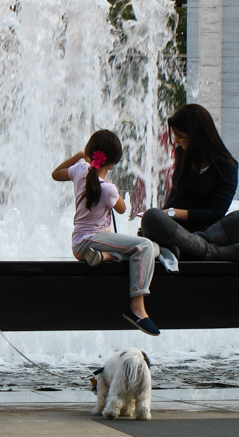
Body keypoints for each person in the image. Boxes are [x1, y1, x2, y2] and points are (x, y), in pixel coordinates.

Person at [52, 130, 160, 336]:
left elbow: (56, 174)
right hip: (93, 240)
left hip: (79, 245)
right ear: (114, 161)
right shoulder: (108, 189)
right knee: (147, 247)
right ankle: (137, 307)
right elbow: (121, 209)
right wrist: (115, 190)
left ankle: (105, 257)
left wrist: (78, 155)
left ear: (90, 151)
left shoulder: (79, 170)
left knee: (145, 249)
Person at [140, 104, 239, 261]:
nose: (176, 141)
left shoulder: (227, 166)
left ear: (197, 135)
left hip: (207, 230)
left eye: (180, 136)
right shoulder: (183, 155)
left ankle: (187, 248)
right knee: (151, 216)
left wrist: (173, 213)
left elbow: (215, 214)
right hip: (176, 230)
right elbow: (175, 196)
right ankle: (212, 252)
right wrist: (165, 214)